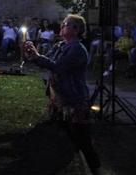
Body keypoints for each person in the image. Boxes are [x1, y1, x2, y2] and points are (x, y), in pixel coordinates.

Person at [24, 14, 101, 174]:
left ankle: (93, 167)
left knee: (81, 137)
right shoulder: (61, 45)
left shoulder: (78, 50)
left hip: (74, 99)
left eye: (66, 24)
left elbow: (58, 67)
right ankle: (64, 160)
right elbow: (48, 62)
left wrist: (38, 57)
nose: (62, 26)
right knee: (63, 133)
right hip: (60, 98)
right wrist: (34, 55)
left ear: (75, 29)